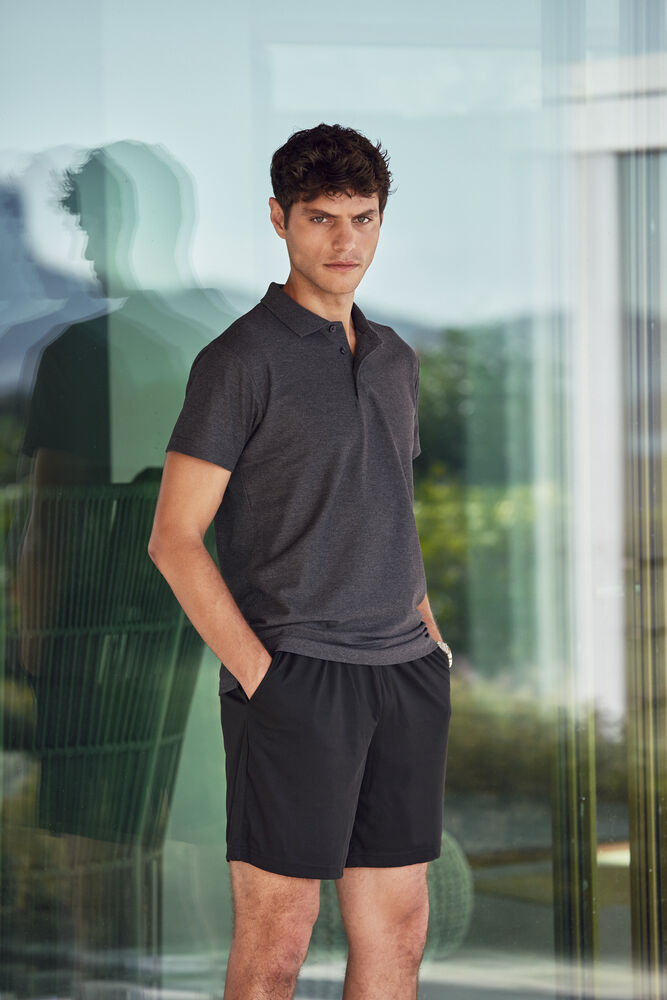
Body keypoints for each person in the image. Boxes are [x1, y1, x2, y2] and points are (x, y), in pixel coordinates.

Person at [148, 123, 452, 1000]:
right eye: (321, 218)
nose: (345, 240)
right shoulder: (238, 361)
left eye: (362, 218)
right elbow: (174, 537)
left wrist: (430, 643)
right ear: (279, 220)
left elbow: (385, 506)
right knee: (279, 941)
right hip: (297, 674)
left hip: (402, 673)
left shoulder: (394, 359)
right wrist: (262, 676)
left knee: (398, 933)